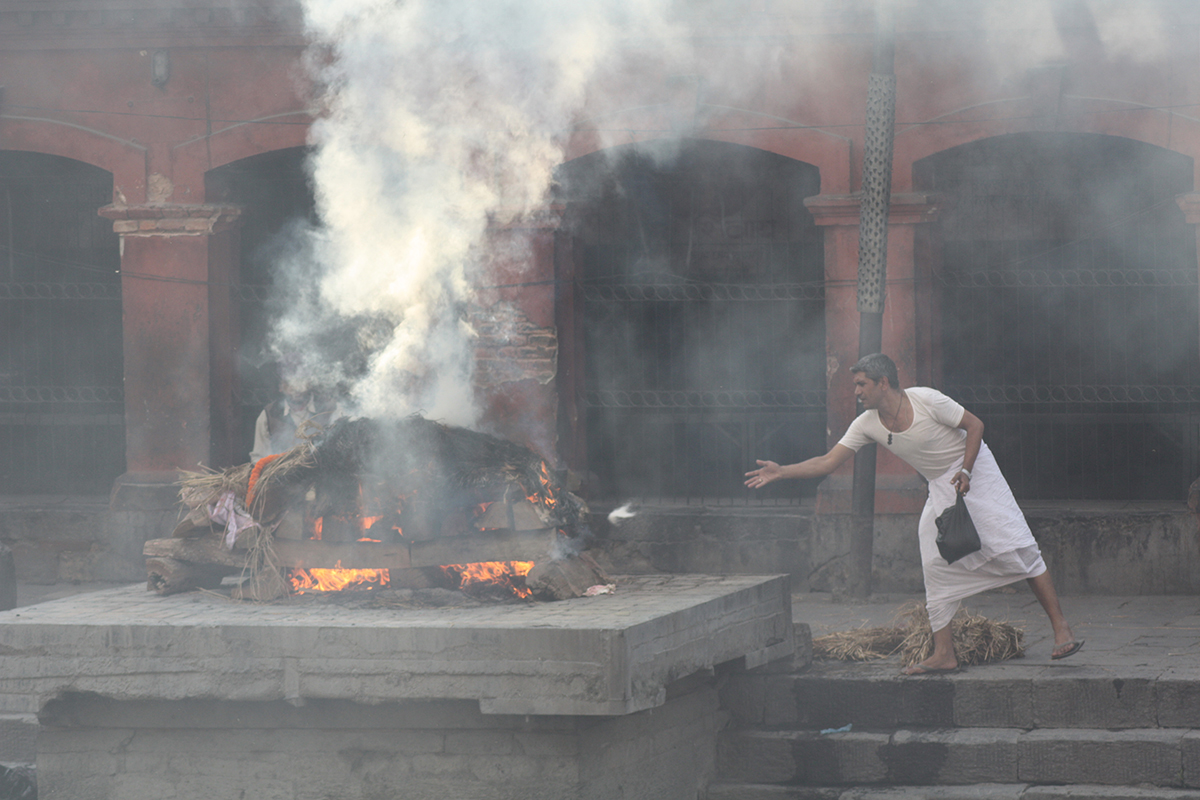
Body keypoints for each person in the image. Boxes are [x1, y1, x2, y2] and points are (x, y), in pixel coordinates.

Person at [745, 353, 1082, 674]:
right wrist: (782, 471)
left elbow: (975, 425)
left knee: (1017, 544)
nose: (857, 392)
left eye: (862, 384)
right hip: (940, 484)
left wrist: (965, 472)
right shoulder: (866, 424)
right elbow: (828, 461)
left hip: (974, 469)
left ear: (883, 383)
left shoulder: (926, 399)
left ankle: (1061, 628)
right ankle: (944, 653)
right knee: (933, 559)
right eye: (855, 386)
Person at [249, 380, 343, 462]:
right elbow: (259, 458)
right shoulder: (269, 414)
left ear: (310, 383)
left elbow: (342, 449)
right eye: (289, 382)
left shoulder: (332, 409)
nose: (296, 387)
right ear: (281, 386)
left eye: (300, 380)